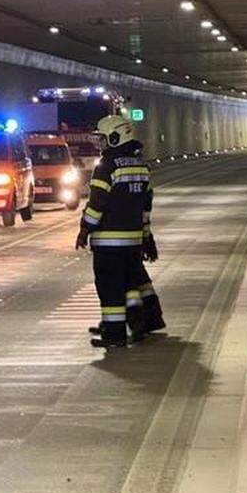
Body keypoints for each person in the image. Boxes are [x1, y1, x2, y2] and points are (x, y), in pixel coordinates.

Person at [75, 115, 153, 349]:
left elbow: (97, 204)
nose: (102, 145)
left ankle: (115, 335)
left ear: (116, 137)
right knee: (130, 285)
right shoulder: (141, 166)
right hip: (132, 242)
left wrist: (84, 229)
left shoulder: (106, 167)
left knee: (110, 290)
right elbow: (145, 207)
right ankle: (138, 324)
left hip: (108, 244)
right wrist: (146, 237)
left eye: (104, 139)